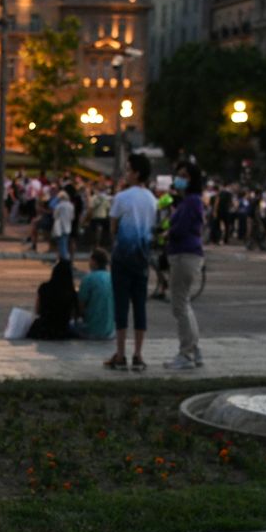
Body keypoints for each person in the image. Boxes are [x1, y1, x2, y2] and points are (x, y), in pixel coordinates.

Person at [106, 153, 154, 371]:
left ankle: (120, 353)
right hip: (142, 258)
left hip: (122, 258)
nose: (125, 173)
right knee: (140, 306)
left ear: (136, 173)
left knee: (121, 306)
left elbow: (113, 227)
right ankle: (138, 354)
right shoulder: (152, 200)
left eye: (128, 169)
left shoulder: (122, 197)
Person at [163, 160, 206, 371]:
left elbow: (181, 229)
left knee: (179, 305)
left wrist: (167, 233)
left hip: (184, 255)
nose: (179, 179)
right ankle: (194, 349)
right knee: (184, 303)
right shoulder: (189, 201)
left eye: (184, 176)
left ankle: (186, 353)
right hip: (186, 254)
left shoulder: (191, 202)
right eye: (178, 175)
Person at [26, 258, 80, 339]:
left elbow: (37, 310)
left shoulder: (44, 288)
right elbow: (74, 314)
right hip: (62, 330)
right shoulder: (71, 292)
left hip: (43, 329)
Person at [75, 247, 115, 340]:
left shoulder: (88, 278)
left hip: (91, 330)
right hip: (110, 331)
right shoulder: (112, 278)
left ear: (94, 261)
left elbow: (80, 305)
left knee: (71, 325)